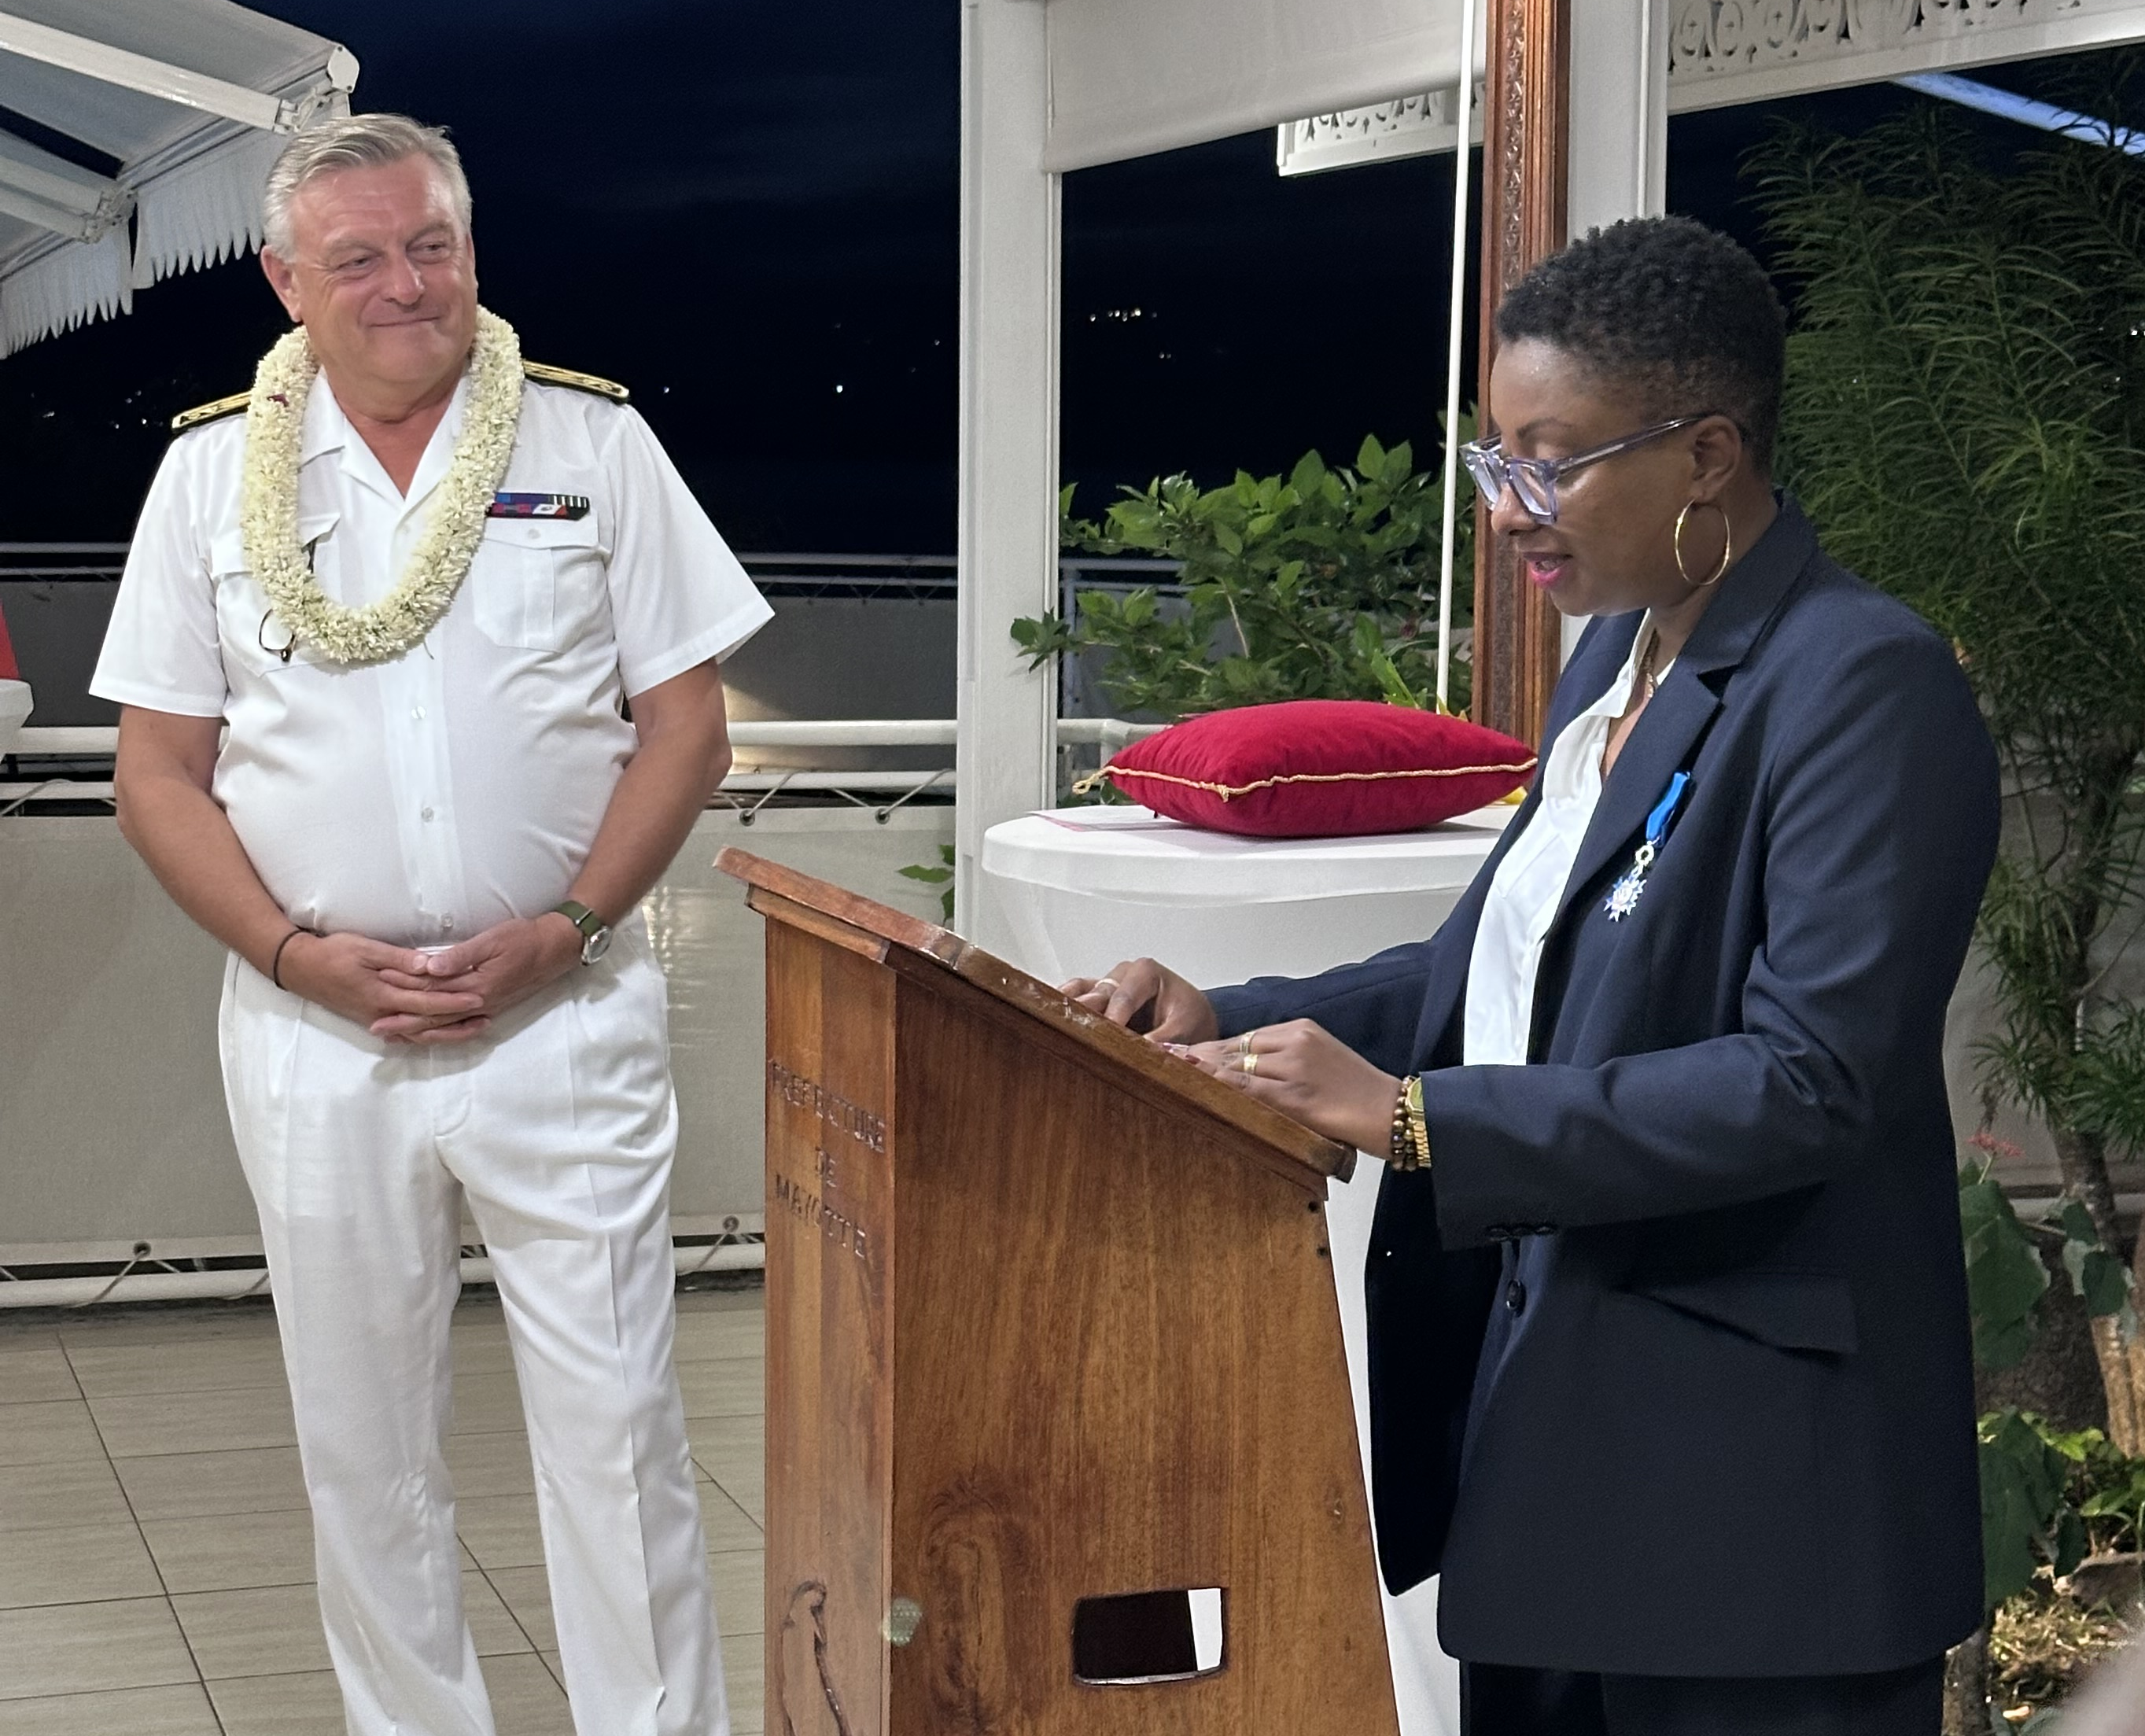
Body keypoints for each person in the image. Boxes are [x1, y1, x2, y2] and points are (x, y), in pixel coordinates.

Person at [1067, 216, 2000, 1736]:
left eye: (1547, 463)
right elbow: (1489, 969)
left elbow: (1810, 1080)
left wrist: (1421, 1120)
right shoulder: (1615, 660)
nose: (1508, 512)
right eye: (1493, 462)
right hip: (1562, 1436)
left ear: (1706, 453)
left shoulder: (1862, 683)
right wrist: (1223, 1014)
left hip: (1751, 1503)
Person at [93, 114, 770, 1736]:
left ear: (471, 249)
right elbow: (158, 770)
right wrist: (287, 949)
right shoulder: (206, 476)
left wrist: (574, 921)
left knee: (620, 1429)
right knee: (363, 1442)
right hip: (316, 1033)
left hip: (562, 1014)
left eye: (434, 247)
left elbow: (687, 723)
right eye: (361, 259)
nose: (407, 285)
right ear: (284, 280)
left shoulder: (593, 446)